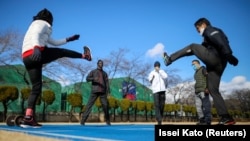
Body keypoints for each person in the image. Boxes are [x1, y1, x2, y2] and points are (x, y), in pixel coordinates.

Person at [20, 8, 92, 128]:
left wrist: (69, 39)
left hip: (27, 58)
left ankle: (28, 118)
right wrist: (37, 47)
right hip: (36, 52)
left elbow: (54, 42)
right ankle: (85, 56)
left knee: (36, 88)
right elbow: (35, 34)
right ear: (49, 19)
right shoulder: (41, 23)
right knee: (61, 52)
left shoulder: (35, 25)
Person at [163, 17, 238, 125]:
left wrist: (229, 54)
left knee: (192, 45)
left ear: (203, 25)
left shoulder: (210, 30)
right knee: (213, 90)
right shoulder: (208, 39)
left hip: (215, 58)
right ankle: (226, 117)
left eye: (198, 29)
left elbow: (219, 39)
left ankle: (169, 59)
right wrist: (228, 55)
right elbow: (193, 51)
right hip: (218, 66)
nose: (198, 32)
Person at [80, 59, 111, 126]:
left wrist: (108, 92)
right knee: (89, 105)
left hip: (103, 92)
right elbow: (87, 78)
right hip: (94, 91)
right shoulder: (93, 72)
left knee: (105, 106)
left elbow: (107, 83)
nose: (101, 64)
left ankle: (108, 121)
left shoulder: (104, 73)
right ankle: (82, 121)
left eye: (102, 63)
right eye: (100, 63)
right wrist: (93, 79)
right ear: (97, 64)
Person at [192, 59, 212, 125]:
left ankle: (208, 120)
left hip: (204, 90)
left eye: (194, 64)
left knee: (206, 106)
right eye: (192, 65)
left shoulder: (203, 69)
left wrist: (207, 88)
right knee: (198, 107)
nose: (193, 66)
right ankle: (202, 120)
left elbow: (208, 77)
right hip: (197, 92)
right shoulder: (195, 72)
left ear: (198, 63)